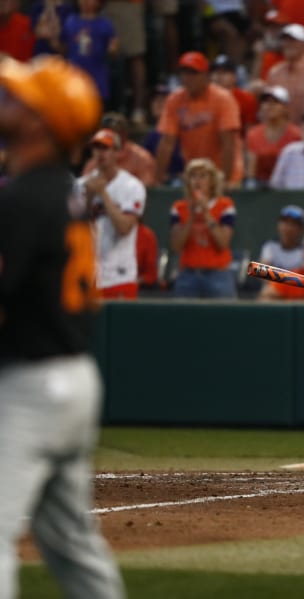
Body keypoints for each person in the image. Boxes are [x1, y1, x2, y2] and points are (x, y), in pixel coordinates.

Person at [0, 55, 125, 599]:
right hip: (73, 381)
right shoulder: (64, 194)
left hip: (32, 386)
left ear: (39, 123)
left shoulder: (27, 197)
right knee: (70, 540)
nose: (7, 103)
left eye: (18, 99)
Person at [78, 128, 147, 300]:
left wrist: (103, 194)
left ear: (117, 152)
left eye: (105, 148)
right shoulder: (80, 185)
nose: (100, 153)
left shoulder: (131, 186)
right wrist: (88, 199)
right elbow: (73, 228)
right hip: (87, 275)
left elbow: (124, 228)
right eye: (96, 148)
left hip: (119, 276)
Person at [155, 51, 241, 187]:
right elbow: (167, 143)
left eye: (193, 73)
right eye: (184, 73)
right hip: (195, 176)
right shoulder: (175, 100)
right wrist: (158, 179)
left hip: (223, 173)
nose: (187, 78)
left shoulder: (223, 99)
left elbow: (228, 143)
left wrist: (226, 180)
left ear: (206, 75)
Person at [170, 158, 237, 299]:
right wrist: (191, 217)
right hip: (188, 275)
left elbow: (223, 242)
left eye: (202, 176)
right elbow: (177, 245)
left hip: (218, 275)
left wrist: (206, 212)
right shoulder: (179, 208)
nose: (197, 181)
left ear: (212, 180)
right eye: (193, 176)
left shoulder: (225, 205)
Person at [244, 85, 303, 189]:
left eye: (275, 102)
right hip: (259, 187)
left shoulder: (297, 135)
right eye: (266, 102)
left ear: (285, 107)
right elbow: (251, 169)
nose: (270, 106)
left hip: (288, 186)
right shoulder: (253, 134)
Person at [81, 111, 157, 187]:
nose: (109, 136)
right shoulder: (94, 162)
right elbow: (83, 188)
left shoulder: (142, 158)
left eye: (115, 132)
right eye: (105, 132)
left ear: (124, 134)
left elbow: (146, 188)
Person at [258, 204, 304, 271]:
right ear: (279, 225)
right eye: (285, 222)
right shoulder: (270, 247)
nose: (288, 228)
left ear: (301, 229)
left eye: (293, 224)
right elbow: (263, 273)